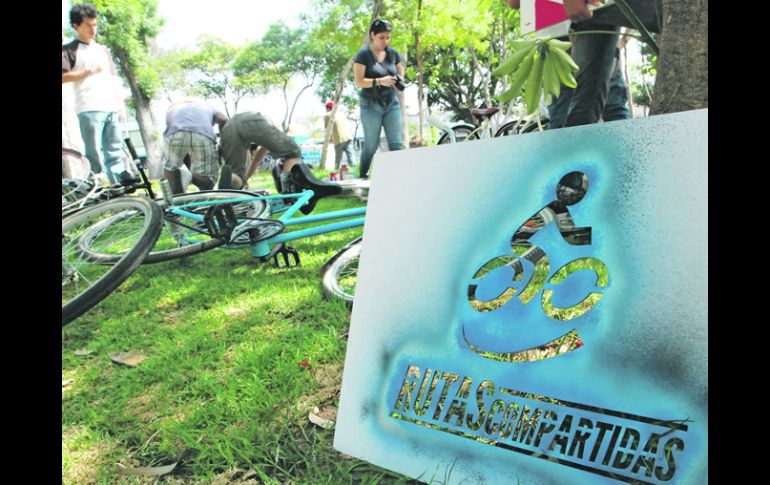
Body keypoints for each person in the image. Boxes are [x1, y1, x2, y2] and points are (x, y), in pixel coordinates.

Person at [507, 0, 658, 128]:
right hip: (565, 34)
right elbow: (513, 2)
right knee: (591, 110)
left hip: (581, 23)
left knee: (590, 110)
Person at [62, 3, 128, 184]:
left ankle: (118, 186)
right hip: (88, 106)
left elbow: (113, 78)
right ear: (76, 26)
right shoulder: (69, 50)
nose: (93, 29)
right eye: (88, 25)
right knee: (94, 152)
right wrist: (87, 72)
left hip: (110, 106)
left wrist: (120, 105)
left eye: (95, 25)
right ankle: (97, 186)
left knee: (114, 149)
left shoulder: (103, 50)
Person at [353, 19, 405, 179]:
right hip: (370, 105)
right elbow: (359, 81)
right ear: (373, 35)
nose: (385, 41)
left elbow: (401, 74)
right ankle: (363, 175)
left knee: (396, 143)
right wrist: (379, 81)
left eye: (388, 37)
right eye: (382, 37)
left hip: (391, 103)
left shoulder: (393, 53)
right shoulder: (363, 55)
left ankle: (401, 178)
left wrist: (398, 80)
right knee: (371, 145)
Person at [219, 112, 302, 192]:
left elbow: (256, 161)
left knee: (237, 175)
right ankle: (287, 189)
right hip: (251, 120)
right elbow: (257, 160)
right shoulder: (269, 126)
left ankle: (230, 180)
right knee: (294, 153)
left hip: (229, 125)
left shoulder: (250, 142)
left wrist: (244, 180)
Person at [163, 98, 228, 194]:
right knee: (208, 181)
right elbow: (223, 119)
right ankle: (205, 201)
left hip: (174, 133)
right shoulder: (206, 106)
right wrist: (223, 139)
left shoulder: (173, 108)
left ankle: (177, 200)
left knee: (171, 168)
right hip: (203, 135)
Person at [323, 101, 355, 169]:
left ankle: (336, 173)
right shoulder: (341, 114)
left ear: (328, 108)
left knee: (338, 161)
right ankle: (356, 172)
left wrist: (329, 140)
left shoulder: (327, 115)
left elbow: (327, 129)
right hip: (348, 137)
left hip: (338, 139)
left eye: (326, 107)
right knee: (351, 158)